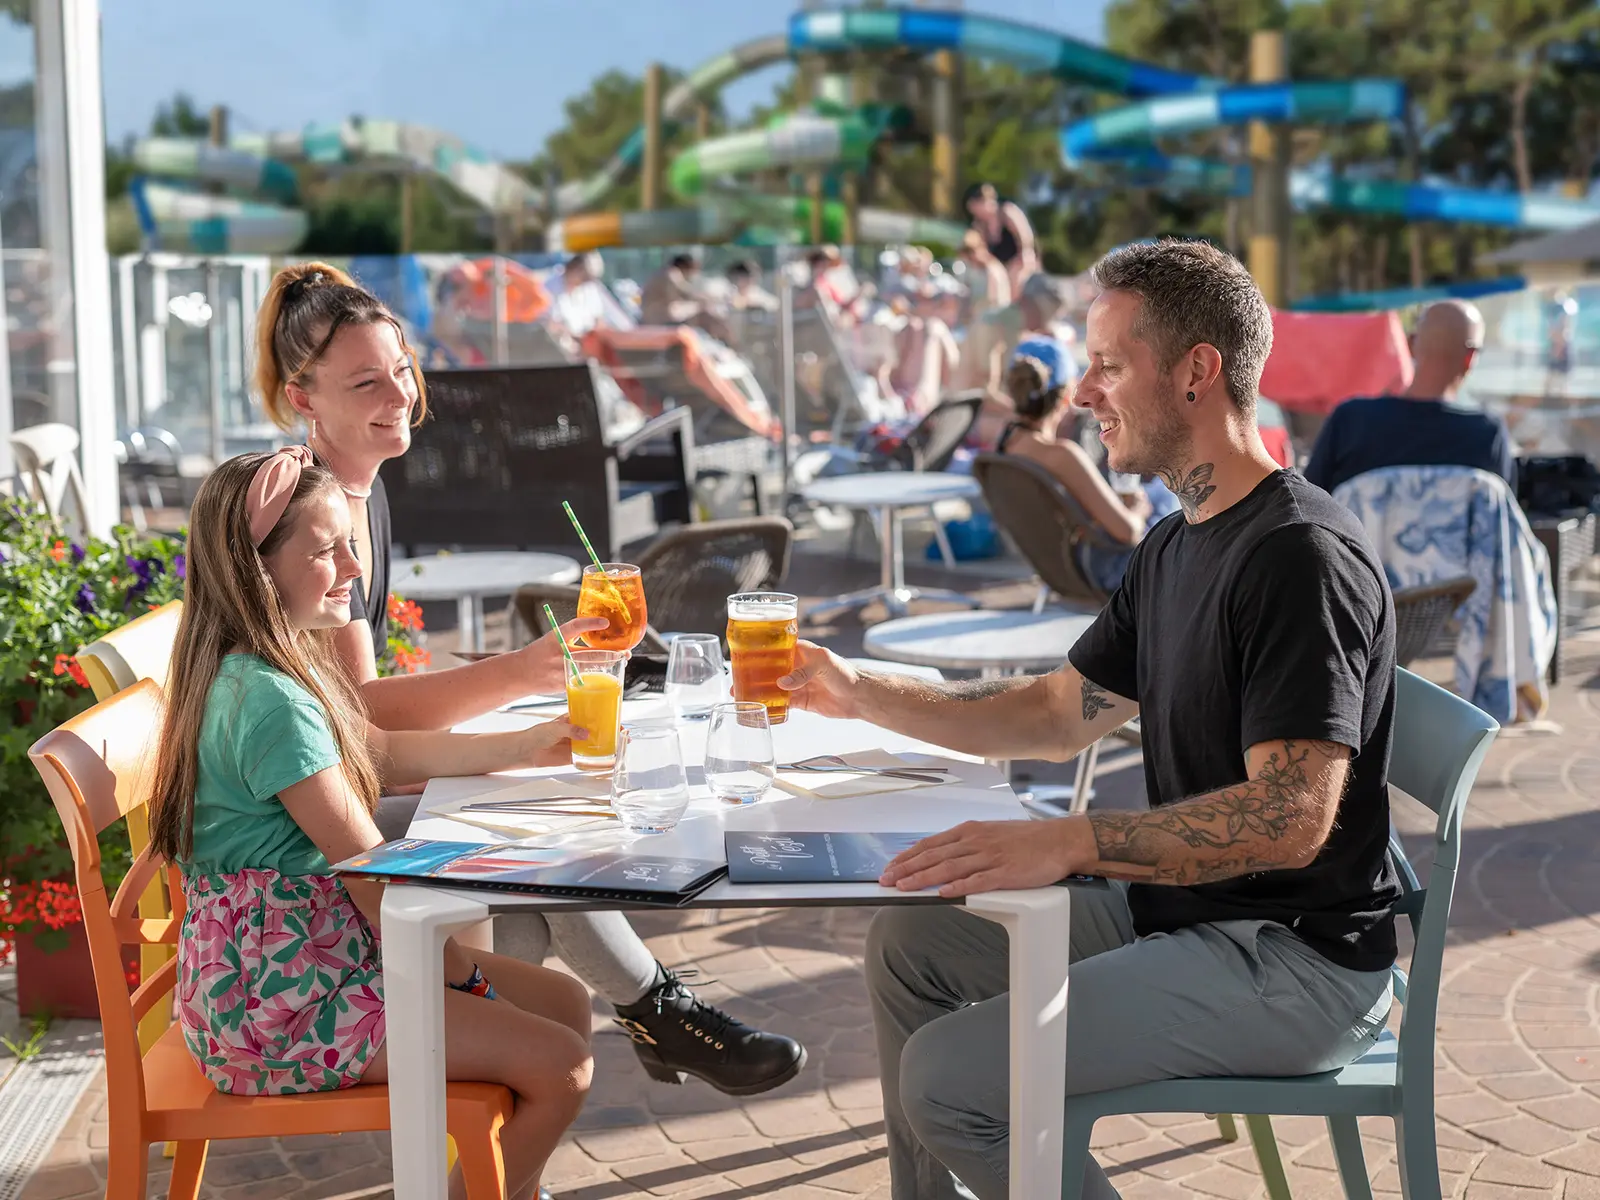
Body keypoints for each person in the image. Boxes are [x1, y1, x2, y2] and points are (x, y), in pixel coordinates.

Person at [777, 237, 1400, 1200]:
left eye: (1108, 365)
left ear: (1196, 372)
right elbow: (1055, 714)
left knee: (949, 1081)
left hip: (1292, 961)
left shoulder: (1298, 558)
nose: (1080, 393)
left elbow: (1290, 818)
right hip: (1189, 911)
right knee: (910, 945)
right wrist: (858, 690)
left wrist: (1073, 840)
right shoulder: (1174, 545)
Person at [255, 263, 806, 1098]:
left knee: (529, 880)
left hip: (337, 796)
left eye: (402, 370)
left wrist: (512, 700)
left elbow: (353, 707)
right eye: (367, 382)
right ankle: (655, 1017)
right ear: (304, 399)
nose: (400, 395)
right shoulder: (310, 508)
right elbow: (358, 725)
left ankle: (613, 1038)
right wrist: (522, 679)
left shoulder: (359, 490)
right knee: (537, 848)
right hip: (301, 846)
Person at [147, 449, 592, 1200]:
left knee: (568, 1005)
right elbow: (372, 878)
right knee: (562, 1067)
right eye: (327, 550)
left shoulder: (269, 662)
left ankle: (506, 1187)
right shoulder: (269, 703)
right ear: (256, 571)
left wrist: (526, 744)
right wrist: (463, 978)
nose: (355, 568)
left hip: (293, 965)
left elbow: (376, 751)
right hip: (278, 1006)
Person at [997, 337, 1178, 592]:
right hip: (1099, 568)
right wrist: (1138, 510)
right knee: (1164, 494)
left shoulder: (1004, 446)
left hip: (1053, 566)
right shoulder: (1062, 456)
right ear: (1065, 398)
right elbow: (1128, 532)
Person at [1303, 299, 1517, 495]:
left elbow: (1308, 503)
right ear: (1470, 358)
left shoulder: (1350, 420)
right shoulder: (1487, 434)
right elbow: (1502, 514)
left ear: (1410, 344)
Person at [639, 251, 734, 343]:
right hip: (657, 319)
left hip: (656, 316)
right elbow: (686, 293)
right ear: (687, 266)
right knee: (703, 309)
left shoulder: (663, 273)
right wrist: (709, 299)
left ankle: (721, 338)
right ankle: (727, 339)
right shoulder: (672, 274)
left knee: (700, 308)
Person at [964, 181, 1038, 295]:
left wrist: (1022, 258)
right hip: (1000, 267)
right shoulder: (979, 225)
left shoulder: (1007, 211)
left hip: (1020, 262)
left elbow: (1026, 238)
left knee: (1017, 280)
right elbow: (979, 250)